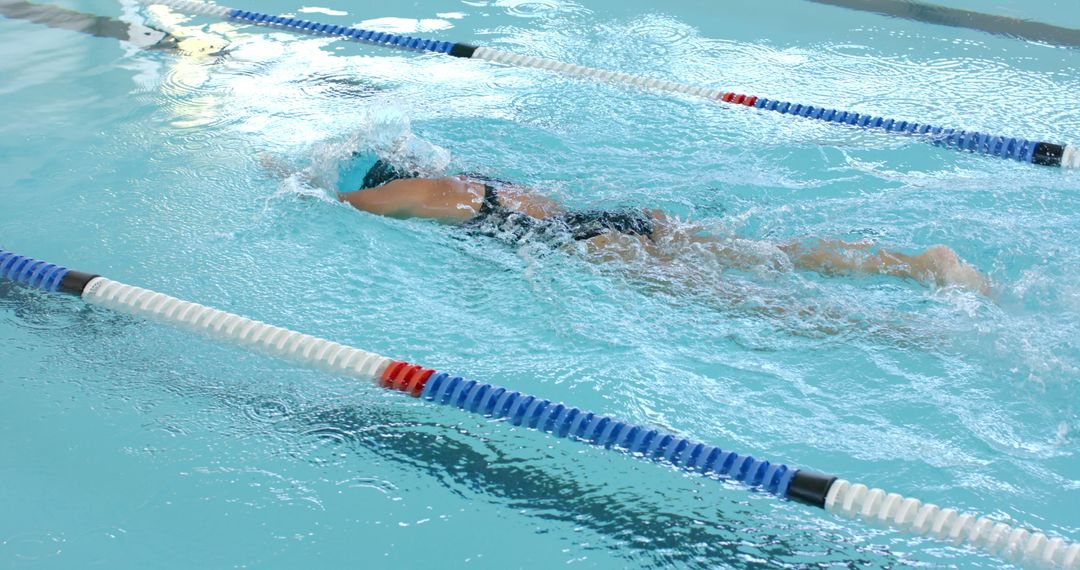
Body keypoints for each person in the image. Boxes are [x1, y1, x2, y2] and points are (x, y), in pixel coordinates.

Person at [338, 160, 990, 294]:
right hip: (614, 221)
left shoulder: (405, 194)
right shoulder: (486, 181)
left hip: (588, 244)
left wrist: (290, 173)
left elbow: (333, 203)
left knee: (738, 304)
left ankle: (900, 331)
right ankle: (915, 264)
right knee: (767, 253)